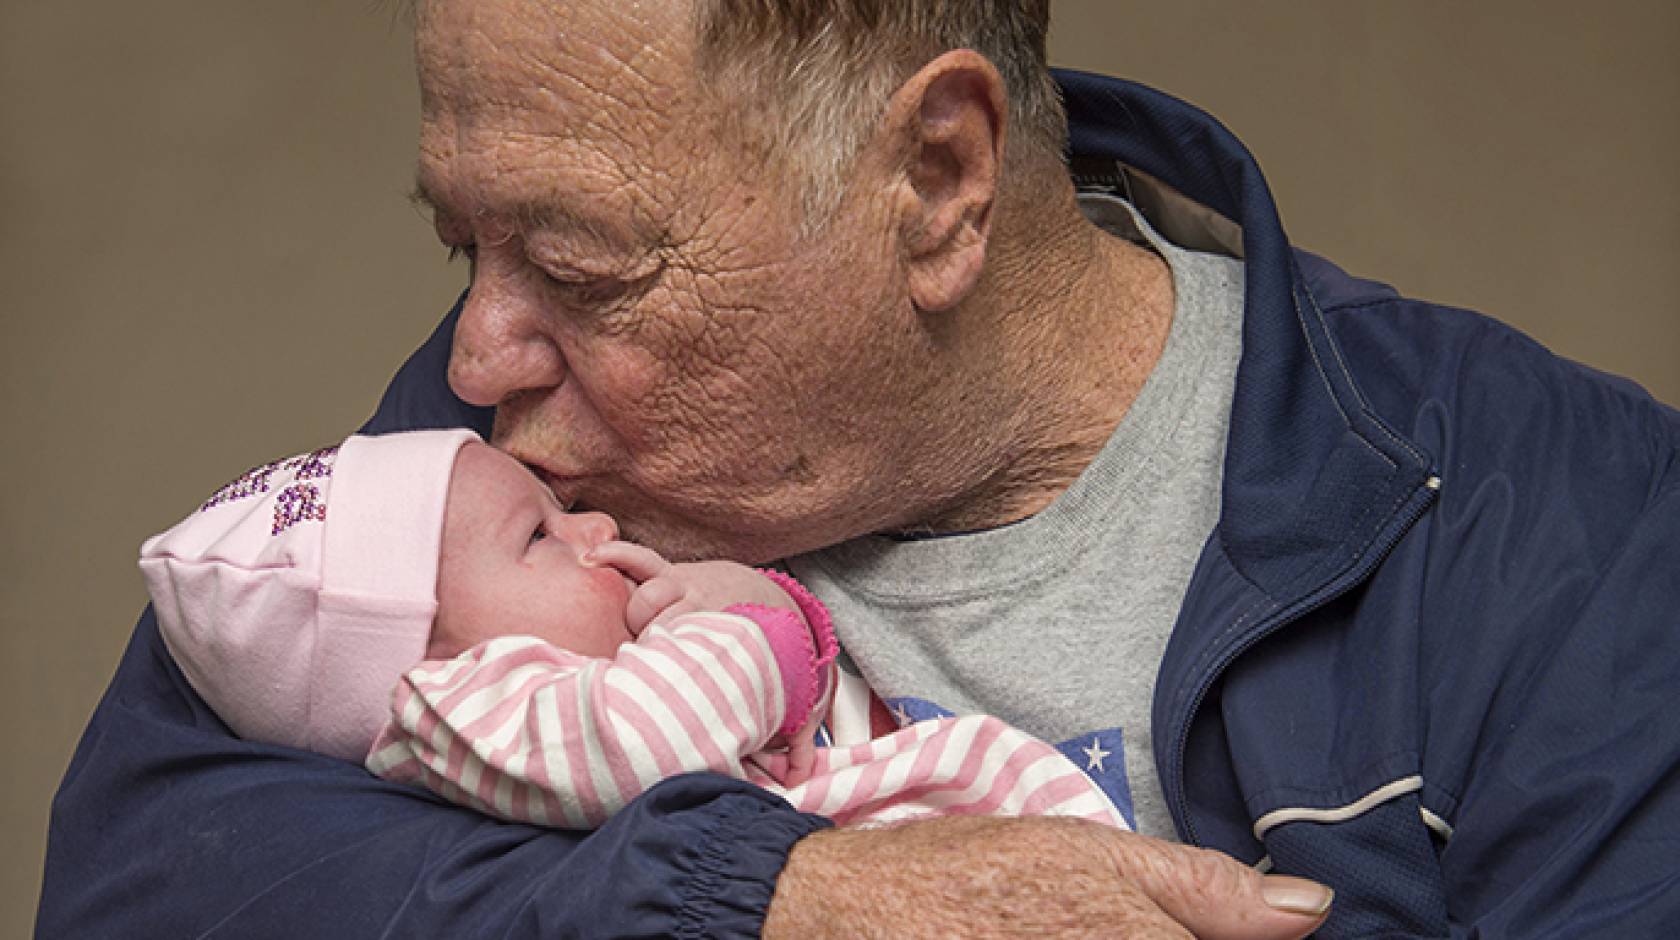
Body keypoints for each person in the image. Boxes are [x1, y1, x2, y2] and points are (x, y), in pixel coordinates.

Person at [40, 1, 1680, 937]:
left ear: (939, 180)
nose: (476, 357)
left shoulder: (1563, 522)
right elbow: (143, 875)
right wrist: (780, 897)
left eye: (583, 264)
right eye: (465, 244)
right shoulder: (495, 456)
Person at [138, 429, 1126, 830]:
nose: (596, 528)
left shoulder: (532, 689)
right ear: (423, 651)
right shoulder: (453, 709)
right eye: (539, 534)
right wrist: (753, 625)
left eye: (562, 510)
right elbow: (653, 742)